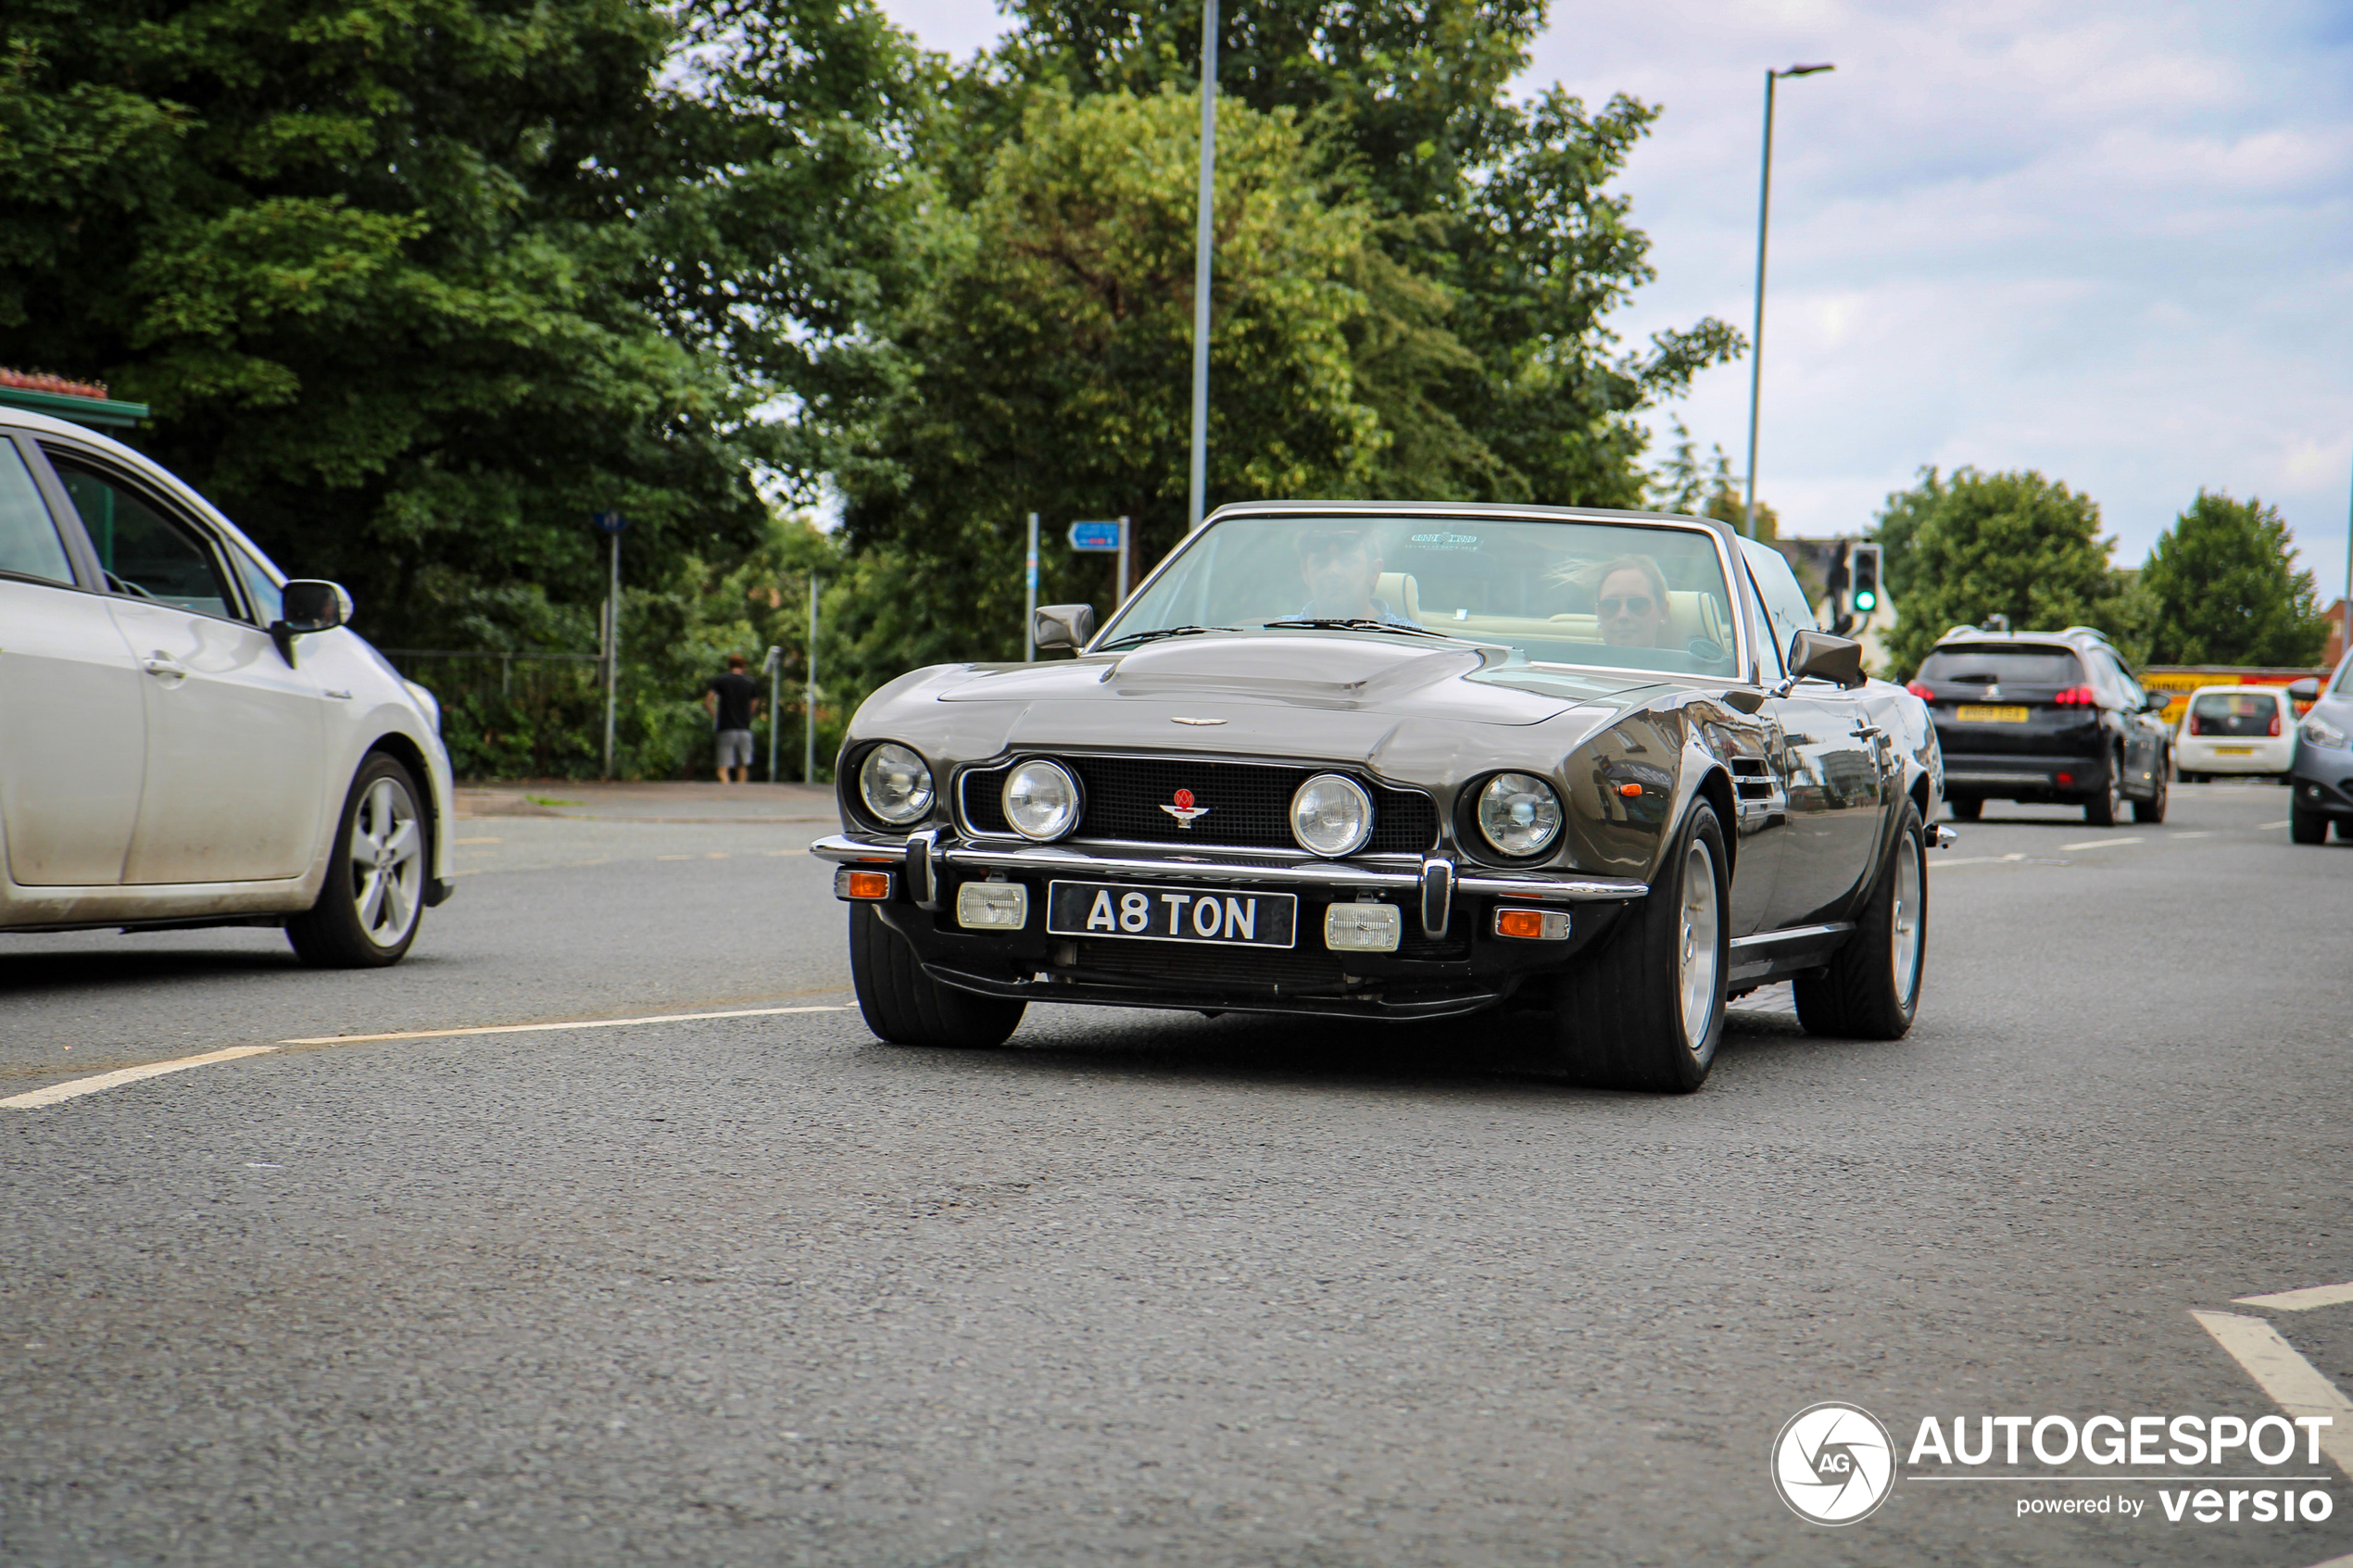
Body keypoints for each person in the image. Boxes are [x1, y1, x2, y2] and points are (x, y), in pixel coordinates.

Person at [1291, 528, 1416, 625]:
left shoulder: (1414, 641)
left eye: (1347, 561)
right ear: (1305, 572)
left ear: (1374, 572)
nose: (1333, 571)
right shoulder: (1278, 634)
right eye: (1321, 561)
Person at [703, 655, 763, 784]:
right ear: (744, 667)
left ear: (729, 666)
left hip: (726, 728)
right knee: (742, 767)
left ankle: (727, 788)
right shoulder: (751, 682)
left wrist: (716, 715)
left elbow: (708, 701)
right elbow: (754, 705)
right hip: (744, 729)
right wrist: (747, 717)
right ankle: (740, 795)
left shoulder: (721, 681)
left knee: (722, 769)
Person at [1594, 555, 1673, 648]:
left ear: (1663, 612)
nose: (1623, 616)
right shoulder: (1576, 662)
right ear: (1598, 614)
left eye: (1637, 604)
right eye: (1610, 606)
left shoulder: (1684, 663)